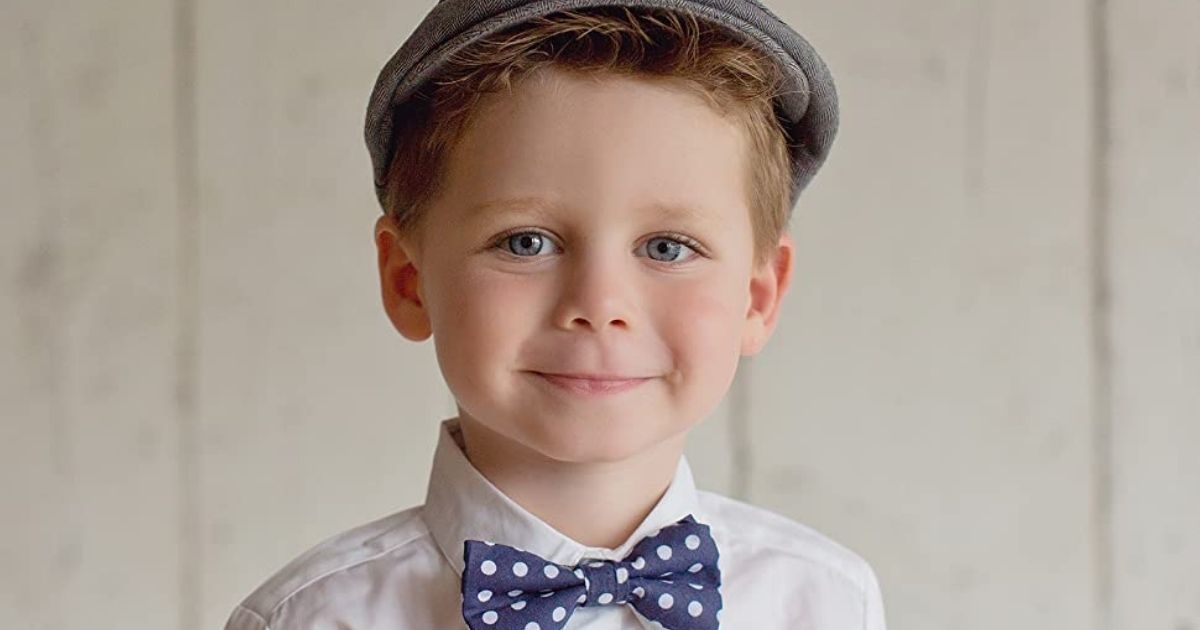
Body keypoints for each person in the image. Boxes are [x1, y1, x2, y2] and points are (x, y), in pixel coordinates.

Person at [224, 2, 886, 628]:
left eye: (667, 247)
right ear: (408, 281)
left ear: (759, 297)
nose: (598, 307)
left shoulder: (825, 603)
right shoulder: (314, 619)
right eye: (525, 242)